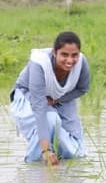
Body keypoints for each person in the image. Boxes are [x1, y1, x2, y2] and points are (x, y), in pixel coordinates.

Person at [10, 31, 90, 164]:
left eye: (74, 55)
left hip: (63, 97)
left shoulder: (82, 62)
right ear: (54, 52)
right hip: (29, 94)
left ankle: (57, 160)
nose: (70, 60)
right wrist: (45, 150)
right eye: (64, 54)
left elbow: (82, 88)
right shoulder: (39, 64)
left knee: (77, 152)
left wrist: (56, 100)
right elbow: (39, 108)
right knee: (51, 120)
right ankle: (35, 162)